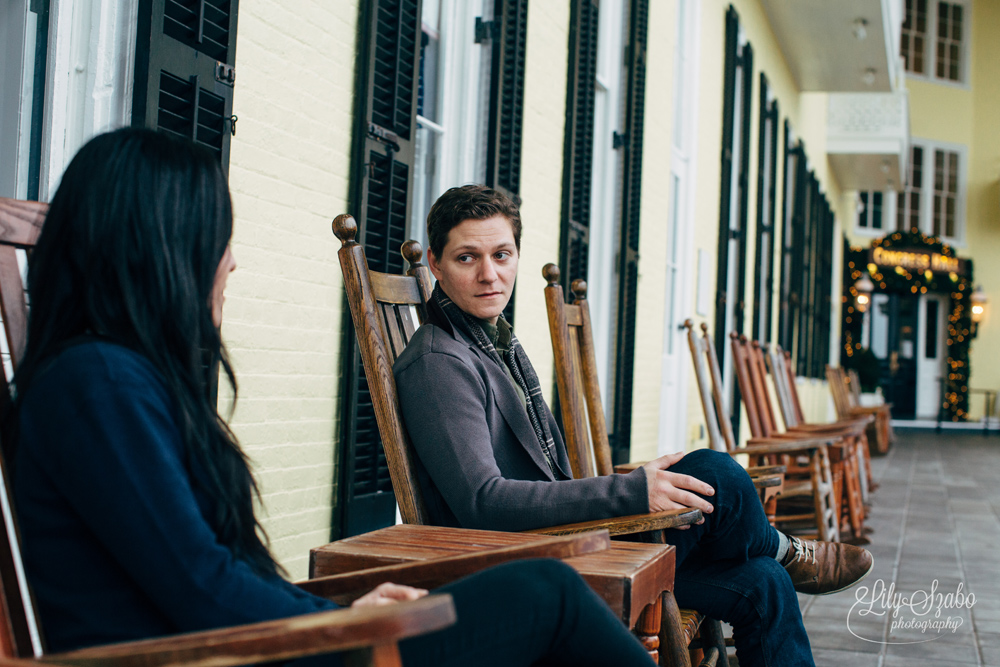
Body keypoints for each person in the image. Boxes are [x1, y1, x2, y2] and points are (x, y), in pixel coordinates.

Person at [9, 128, 661, 666]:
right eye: (216, 237)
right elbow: (203, 587)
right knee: (545, 594)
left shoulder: (115, 378)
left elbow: (208, 575)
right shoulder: (98, 382)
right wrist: (344, 618)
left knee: (542, 604)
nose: (231, 263)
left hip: (255, 642)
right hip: (225, 653)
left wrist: (347, 609)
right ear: (159, 248)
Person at [393, 184, 876, 667]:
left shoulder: (493, 345)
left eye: (502, 254)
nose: (489, 274)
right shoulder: (440, 362)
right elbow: (483, 503)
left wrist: (632, 484)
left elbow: (545, 481)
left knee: (763, 582)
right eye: (467, 258)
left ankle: (779, 557)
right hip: (530, 562)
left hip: (570, 538)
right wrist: (631, 493)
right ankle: (787, 550)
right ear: (435, 263)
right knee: (717, 474)